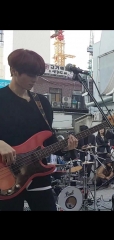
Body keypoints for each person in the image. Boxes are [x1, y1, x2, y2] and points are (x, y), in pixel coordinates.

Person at [0, 49, 78, 211]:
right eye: (30, 74)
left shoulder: (42, 103)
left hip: (37, 175)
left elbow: (49, 140)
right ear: (14, 71)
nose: (34, 79)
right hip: (5, 175)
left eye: (37, 74)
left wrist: (66, 147)